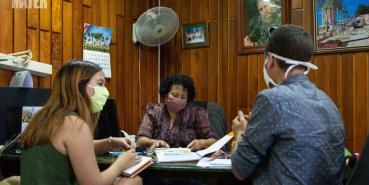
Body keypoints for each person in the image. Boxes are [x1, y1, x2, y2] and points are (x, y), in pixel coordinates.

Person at [231, 25, 345, 185]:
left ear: (270, 60)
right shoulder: (328, 102)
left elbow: (240, 169)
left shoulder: (271, 99)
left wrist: (240, 133)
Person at [20, 60, 142, 185]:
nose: (105, 91)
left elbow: (75, 148)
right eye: (100, 84)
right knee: (133, 181)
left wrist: (109, 142)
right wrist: (121, 163)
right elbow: (94, 183)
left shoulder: (42, 117)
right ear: (78, 86)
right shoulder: (74, 124)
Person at [136, 75, 217, 151]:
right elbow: (140, 140)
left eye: (183, 97)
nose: (179, 99)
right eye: (175, 95)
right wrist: (153, 142)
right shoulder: (153, 112)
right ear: (165, 96)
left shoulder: (196, 113)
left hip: (189, 162)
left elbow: (214, 141)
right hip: (158, 161)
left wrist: (202, 143)